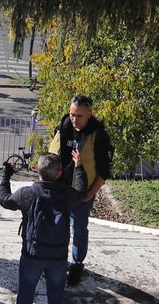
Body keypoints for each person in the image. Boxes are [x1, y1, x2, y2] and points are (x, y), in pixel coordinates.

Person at [0, 152, 82, 304]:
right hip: (58, 255)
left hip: (32, 253)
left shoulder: (27, 194)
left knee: (26, 292)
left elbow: (4, 200)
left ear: (37, 170)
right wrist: (80, 167)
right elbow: (82, 195)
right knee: (56, 292)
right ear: (59, 173)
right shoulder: (67, 194)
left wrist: (6, 175)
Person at [48, 94, 114, 286]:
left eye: (79, 116)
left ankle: (77, 264)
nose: (74, 120)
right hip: (59, 190)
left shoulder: (98, 135)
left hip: (81, 194)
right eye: (72, 114)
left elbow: (103, 173)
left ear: (90, 114)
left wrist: (88, 196)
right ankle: (56, 261)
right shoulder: (64, 126)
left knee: (78, 229)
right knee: (56, 226)